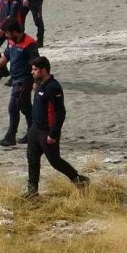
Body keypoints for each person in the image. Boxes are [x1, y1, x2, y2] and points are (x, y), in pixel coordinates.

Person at [25, 56, 89, 198]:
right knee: (32, 159)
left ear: (43, 70)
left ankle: (80, 180)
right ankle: (32, 191)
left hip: (47, 131)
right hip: (35, 130)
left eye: (35, 70)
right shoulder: (40, 83)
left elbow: (60, 112)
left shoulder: (53, 87)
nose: (32, 72)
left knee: (55, 161)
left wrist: (53, 134)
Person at [0, 20, 38, 147]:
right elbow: (6, 56)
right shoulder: (11, 41)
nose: (6, 37)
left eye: (8, 34)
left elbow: (36, 64)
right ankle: (33, 133)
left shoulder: (29, 44)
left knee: (13, 107)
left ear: (15, 32)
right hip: (15, 79)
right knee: (25, 107)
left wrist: (36, 82)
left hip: (24, 80)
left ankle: (10, 136)